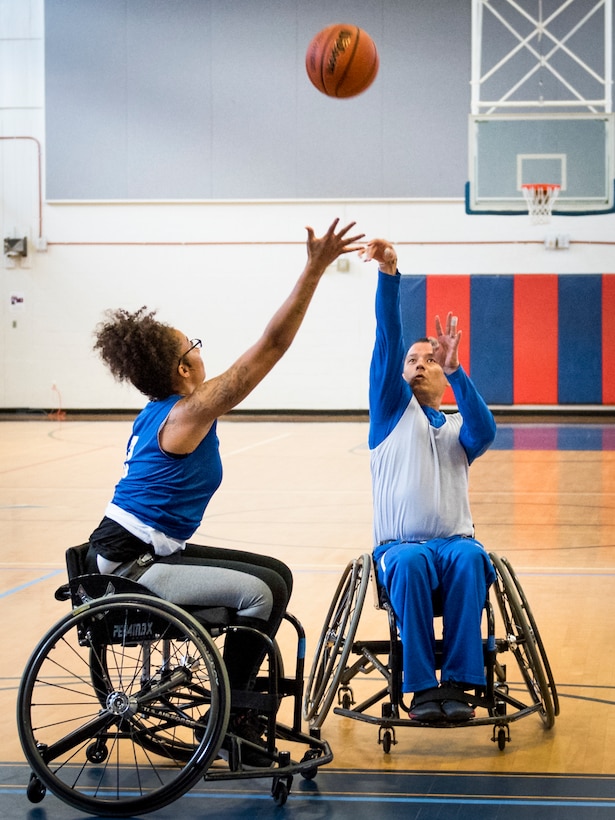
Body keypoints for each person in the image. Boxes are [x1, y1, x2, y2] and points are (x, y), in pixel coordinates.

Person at [87, 218, 364, 761]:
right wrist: (313, 270)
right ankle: (228, 725)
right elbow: (271, 345)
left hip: (140, 547)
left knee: (276, 576)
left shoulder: (161, 412)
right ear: (183, 368)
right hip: (129, 562)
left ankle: (238, 712)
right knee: (256, 595)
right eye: (192, 344)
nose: (199, 349)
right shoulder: (185, 414)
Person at [360, 238, 497, 723]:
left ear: (445, 375)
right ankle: (420, 688)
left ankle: (460, 682)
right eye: (413, 360)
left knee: (469, 556)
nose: (419, 364)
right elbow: (388, 337)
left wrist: (459, 372)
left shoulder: (461, 427)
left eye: (430, 360)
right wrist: (389, 273)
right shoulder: (392, 413)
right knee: (415, 559)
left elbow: (487, 431)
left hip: (454, 546)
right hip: (401, 549)